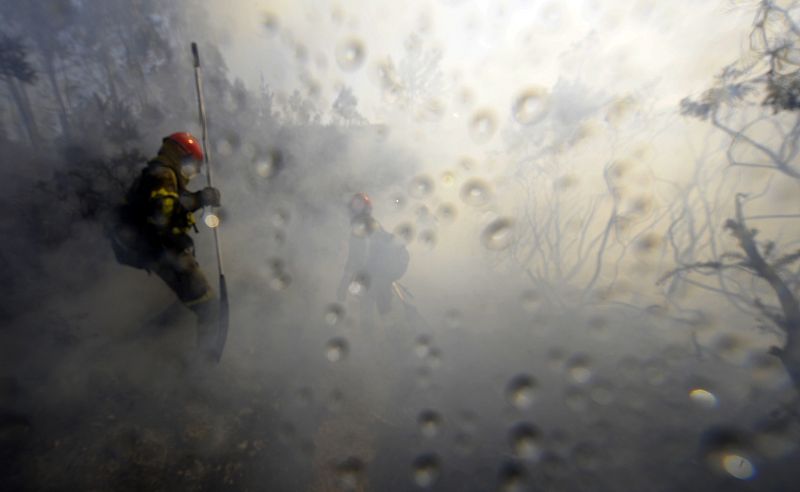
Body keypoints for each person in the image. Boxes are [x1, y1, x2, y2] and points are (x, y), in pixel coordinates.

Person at [109, 132, 221, 361]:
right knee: (209, 307)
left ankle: (149, 336)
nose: (194, 170)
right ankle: (204, 365)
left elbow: (175, 203)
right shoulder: (162, 174)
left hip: (150, 248)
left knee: (189, 297)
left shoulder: (164, 174)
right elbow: (163, 211)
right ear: (181, 155)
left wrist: (200, 199)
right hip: (159, 249)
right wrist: (200, 200)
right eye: (193, 164)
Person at [337, 192, 409, 327]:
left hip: (373, 279)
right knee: (385, 315)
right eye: (354, 206)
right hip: (380, 278)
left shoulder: (361, 226)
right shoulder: (374, 223)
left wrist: (343, 285)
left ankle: (378, 342)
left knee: (370, 317)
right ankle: (395, 341)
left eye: (358, 205)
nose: (354, 209)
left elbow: (355, 258)